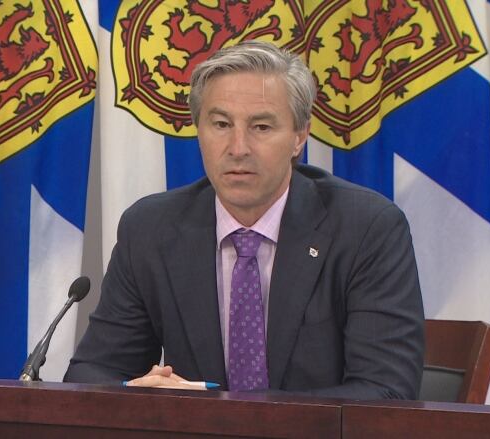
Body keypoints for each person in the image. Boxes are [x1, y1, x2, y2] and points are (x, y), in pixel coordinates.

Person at [64, 40, 424, 399]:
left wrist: (232, 414)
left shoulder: (367, 229)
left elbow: (385, 392)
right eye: (220, 124)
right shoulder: (151, 230)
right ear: (199, 130)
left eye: (262, 127)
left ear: (299, 136)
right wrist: (137, 391)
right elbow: (92, 372)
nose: (238, 148)